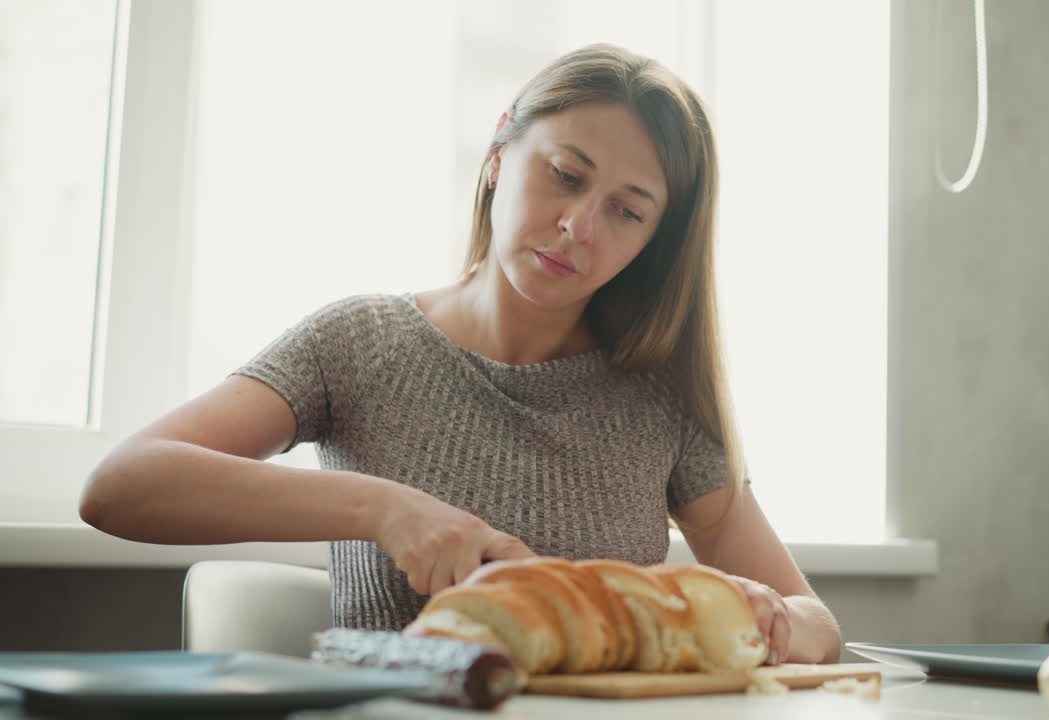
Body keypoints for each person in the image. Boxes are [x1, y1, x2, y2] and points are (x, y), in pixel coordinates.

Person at [80, 43, 842, 665]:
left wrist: (768, 616)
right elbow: (118, 486)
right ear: (501, 147)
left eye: (626, 211)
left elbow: (819, 626)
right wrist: (385, 508)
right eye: (566, 175)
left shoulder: (660, 397)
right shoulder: (357, 343)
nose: (579, 225)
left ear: (652, 243)